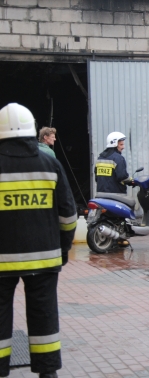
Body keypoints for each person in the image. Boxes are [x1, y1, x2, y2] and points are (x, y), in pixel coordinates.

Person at [0, 103, 77, 378]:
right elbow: (68, 215)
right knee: (44, 314)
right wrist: (64, 248)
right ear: (32, 129)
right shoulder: (49, 163)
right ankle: (47, 373)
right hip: (44, 257)